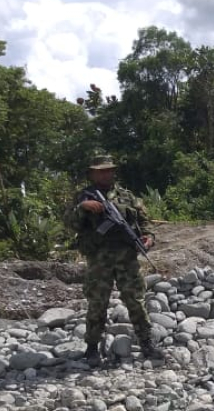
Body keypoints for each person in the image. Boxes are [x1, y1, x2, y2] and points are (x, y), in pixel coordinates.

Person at [68, 154, 162, 364]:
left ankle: (147, 343)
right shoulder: (83, 197)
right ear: (91, 174)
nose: (105, 174)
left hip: (126, 256)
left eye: (109, 170)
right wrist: (82, 209)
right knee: (97, 302)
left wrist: (148, 238)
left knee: (135, 300)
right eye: (100, 171)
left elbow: (144, 222)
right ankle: (92, 347)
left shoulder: (127, 196)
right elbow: (69, 224)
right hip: (99, 258)